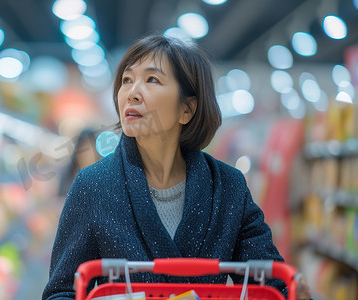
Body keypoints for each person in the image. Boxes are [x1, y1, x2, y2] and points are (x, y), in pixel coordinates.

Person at [43, 34, 311, 300]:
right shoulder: (93, 185)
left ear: (187, 109)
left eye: (152, 79)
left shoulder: (228, 187)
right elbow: (60, 291)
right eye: (127, 79)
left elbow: (272, 285)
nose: (132, 93)